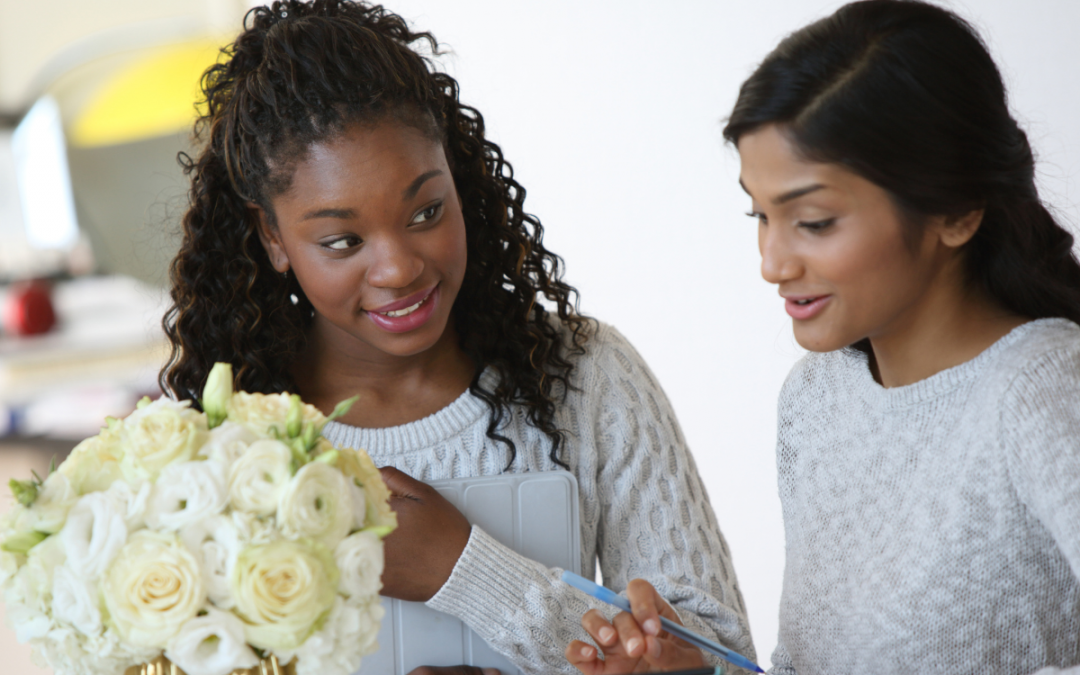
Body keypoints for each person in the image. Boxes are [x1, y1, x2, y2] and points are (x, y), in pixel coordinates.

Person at [160, 1, 755, 673]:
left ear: (459, 182)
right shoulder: (219, 443)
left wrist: (464, 569)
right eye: (343, 240)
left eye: (426, 211)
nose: (399, 268)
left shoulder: (587, 377)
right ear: (273, 236)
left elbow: (729, 661)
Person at [566, 1, 1080, 674]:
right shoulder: (816, 396)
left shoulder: (1044, 389)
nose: (773, 262)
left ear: (956, 208)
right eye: (761, 215)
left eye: (812, 220)